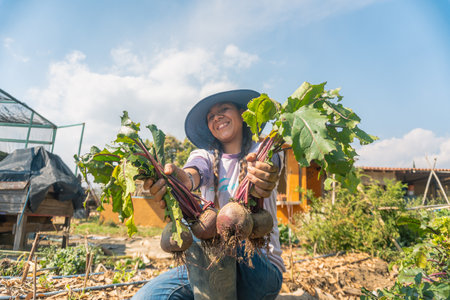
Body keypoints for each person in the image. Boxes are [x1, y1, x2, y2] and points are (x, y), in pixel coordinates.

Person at [132, 89, 285, 300]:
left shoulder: (262, 149)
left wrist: (264, 174)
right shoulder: (202, 155)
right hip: (210, 261)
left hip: (259, 268)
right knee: (147, 297)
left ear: (243, 114)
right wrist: (180, 181)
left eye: (224, 109)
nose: (217, 117)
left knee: (231, 229)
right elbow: (193, 173)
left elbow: (271, 165)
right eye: (210, 116)